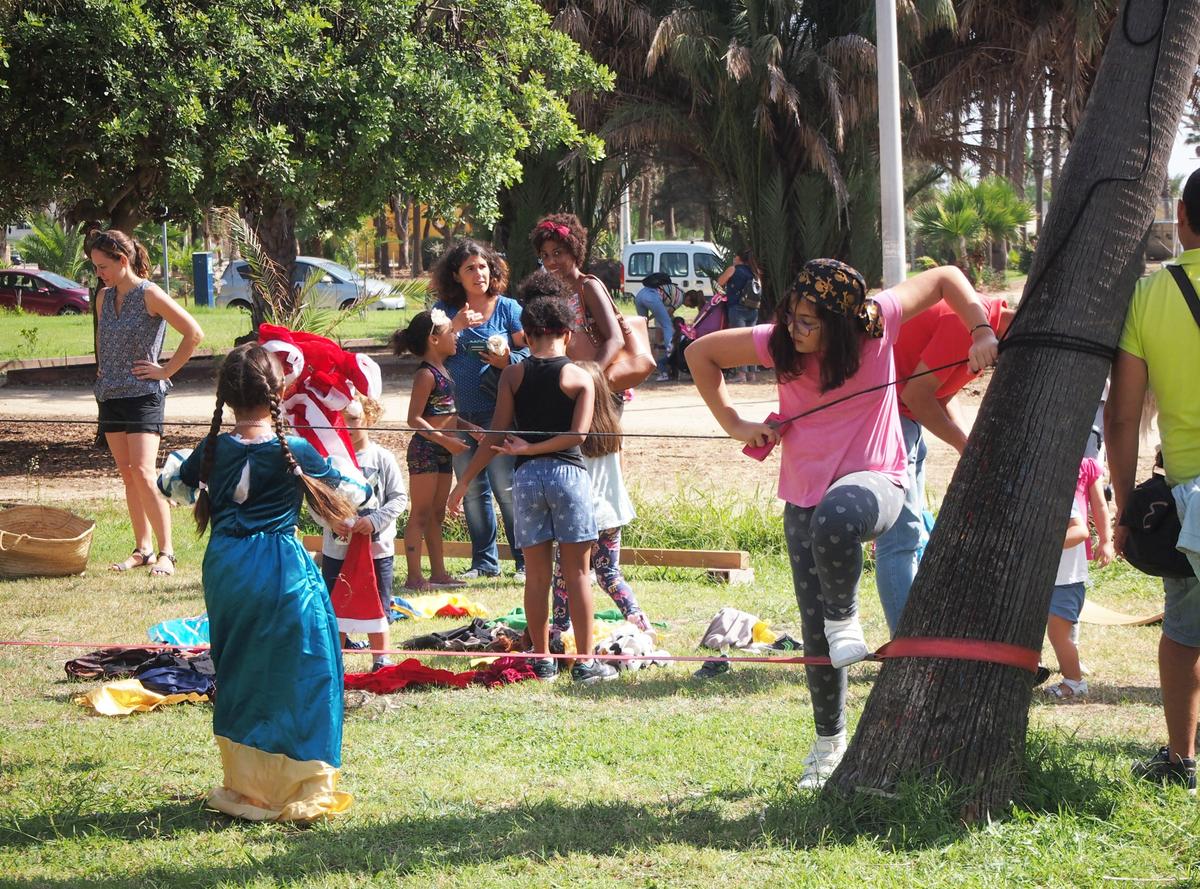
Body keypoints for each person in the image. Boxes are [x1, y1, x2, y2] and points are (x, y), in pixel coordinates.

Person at [687, 259, 997, 789]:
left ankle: (846, 618)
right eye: (793, 317)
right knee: (815, 634)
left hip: (877, 482)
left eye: (810, 322)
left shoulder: (878, 322)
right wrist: (737, 422)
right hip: (803, 496)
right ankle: (829, 742)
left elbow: (946, 276)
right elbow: (701, 352)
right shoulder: (779, 341)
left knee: (836, 519)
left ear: (845, 321)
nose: (796, 329)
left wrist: (981, 328)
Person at [178, 342, 365, 821]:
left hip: (227, 569)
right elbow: (353, 492)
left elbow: (174, 486)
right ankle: (300, 783)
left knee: (239, 667)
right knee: (306, 668)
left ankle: (246, 785)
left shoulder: (211, 449)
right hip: (281, 569)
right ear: (277, 390)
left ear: (226, 395)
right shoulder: (295, 449)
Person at [448, 273, 618, 685]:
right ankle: (585, 662)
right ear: (567, 331)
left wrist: (465, 480)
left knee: (538, 575)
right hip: (567, 475)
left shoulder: (512, 376)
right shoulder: (580, 377)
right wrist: (532, 448)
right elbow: (578, 436)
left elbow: (494, 436)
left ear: (528, 333)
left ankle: (541, 658)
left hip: (525, 482)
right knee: (577, 573)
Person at [1107, 168, 1200, 794]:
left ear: (1183, 221)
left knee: (1185, 630)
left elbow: (1121, 414)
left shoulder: (1151, 296)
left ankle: (1180, 759)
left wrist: (1124, 502)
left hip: (1191, 498)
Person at [873, 296, 1016, 633]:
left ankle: (920, 633)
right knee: (901, 537)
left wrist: (968, 445)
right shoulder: (964, 324)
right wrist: (964, 446)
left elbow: (936, 394)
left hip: (907, 423)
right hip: (887, 420)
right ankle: (906, 646)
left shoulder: (987, 326)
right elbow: (916, 396)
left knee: (917, 530)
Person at [88, 228, 204, 577]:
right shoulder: (103, 297)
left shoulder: (150, 294)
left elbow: (194, 333)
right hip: (110, 396)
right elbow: (102, 339)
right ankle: (143, 549)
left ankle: (167, 552)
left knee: (142, 471)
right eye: (94, 267)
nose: (98, 273)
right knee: (128, 476)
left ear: (123, 261)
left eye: (102, 266)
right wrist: (101, 371)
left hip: (143, 396)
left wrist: (165, 369)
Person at [430, 240, 528, 582]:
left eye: (484, 266)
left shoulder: (509, 308)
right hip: (459, 417)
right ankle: (484, 563)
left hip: (500, 415)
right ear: (456, 275)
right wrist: (454, 326)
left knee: (507, 487)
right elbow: (430, 355)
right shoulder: (442, 311)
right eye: (470, 268)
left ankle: (524, 562)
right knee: (472, 491)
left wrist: (507, 360)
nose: (478, 273)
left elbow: (532, 354)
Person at [550, 360, 653, 635]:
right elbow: (620, 469)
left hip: (581, 515)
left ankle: (559, 629)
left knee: (563, 577)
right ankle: (638, 618)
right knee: (609, 574)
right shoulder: (613, 428)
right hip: (612, 512)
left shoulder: (571, 433)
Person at [319, 394, 409, 671]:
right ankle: (334, 661)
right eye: (342, 421)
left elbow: (398, 498)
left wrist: (375, 521)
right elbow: (315, 500)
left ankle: (381, 659)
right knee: (336, 605)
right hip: (337, 549)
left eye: (355, 419)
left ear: (368, 418)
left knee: (378, 604)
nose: (348, 426)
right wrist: (330, 521)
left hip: (376, 550)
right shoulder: (326, 461)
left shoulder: (382, 458)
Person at [392, 309, 479, 591]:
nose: (455, 337)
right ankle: (414, 576)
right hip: (426, 450)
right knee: (420, 512)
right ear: (433, 339)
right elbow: (414, 419)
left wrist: (467, 425)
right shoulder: (426, 375)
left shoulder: (445, 371)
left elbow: (444, 412)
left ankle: (439, 572)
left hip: (443, 449)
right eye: (449, 333)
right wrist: (445, 440)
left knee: (437, 514)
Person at [1043, 456, 1113, 700]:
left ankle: (1074, 682)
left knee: (1058, 634)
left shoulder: (1060, 492)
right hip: (1054, 577)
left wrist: (1042, 544)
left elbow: (1081, 530)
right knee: (1054, 632)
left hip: (1066, 578)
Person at [530, 214, 624, 390]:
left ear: (574, 250)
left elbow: (616, 339)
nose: (551, 262)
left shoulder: (588, 287)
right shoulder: (551, 293)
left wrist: (589, 378)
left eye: (558, 253)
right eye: (545, 255)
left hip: (597, 387)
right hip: (568, 386)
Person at [716, 249, 761, 382]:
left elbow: (720, 281)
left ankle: (741, 375)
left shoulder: (733, 269)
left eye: (735, 256)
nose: (733, 258)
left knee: (738, 341)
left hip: (737, 308)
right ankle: (752, 374)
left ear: (739, 258)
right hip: (753, 310)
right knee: (750, 341)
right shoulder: (755, 272)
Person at [634, 272, 677, 382]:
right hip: (652, 297)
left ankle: (640, 357)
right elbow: (667, 313)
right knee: (667, 325)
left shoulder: (648, 287)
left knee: (642, 328)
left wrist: (651, 317)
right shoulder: (676, 293)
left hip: (639, 296)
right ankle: (671, 352)